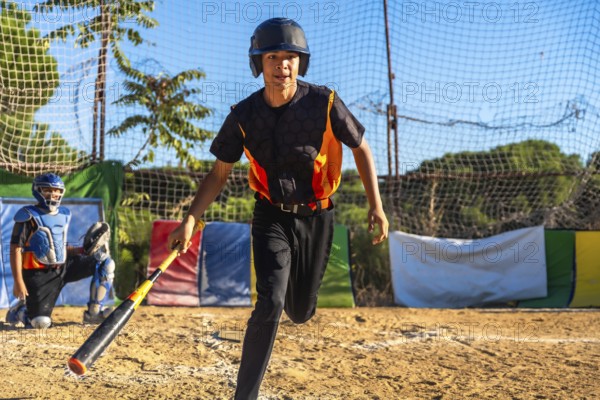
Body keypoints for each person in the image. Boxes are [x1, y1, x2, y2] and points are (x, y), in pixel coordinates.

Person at [168, 18, 389, 399]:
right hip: (270, 215)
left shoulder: (325, 102)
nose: (282, 64)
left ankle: (292, 293)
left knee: (300, 311)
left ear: (301, 62)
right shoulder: (243, 116)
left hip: (318, 215)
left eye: (290, 57)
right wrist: (191, 218)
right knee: (269, 302)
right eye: (273, 56)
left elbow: (361, 148)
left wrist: (377, 206)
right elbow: (219, 173)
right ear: (259, 63)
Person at [5, 173, 115, 328]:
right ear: (37, 190)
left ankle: (94, 313)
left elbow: (57, 248)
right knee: (40, 323)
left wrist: (81, 250)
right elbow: (15, 249)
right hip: (37, 276)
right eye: (47, 190)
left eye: (56, 190)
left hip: (63, 267)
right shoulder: (28, 215)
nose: (53, 194)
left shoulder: (64, 214)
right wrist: (18, 282)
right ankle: (20, 311)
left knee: (105, 262)